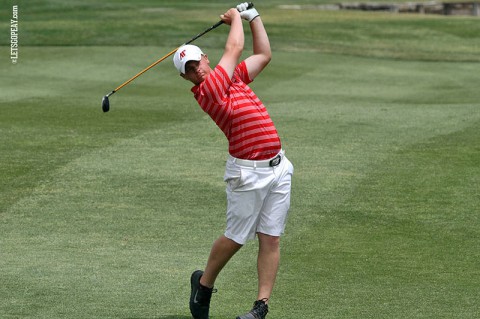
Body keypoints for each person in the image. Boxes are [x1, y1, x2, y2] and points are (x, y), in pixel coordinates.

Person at [173, 3, 293, 319]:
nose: (196, 69)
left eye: (197, 62)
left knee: (270, 237)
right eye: (188, 70)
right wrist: (235, 18)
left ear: (205, 59)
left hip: (278, 167)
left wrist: (253, 18)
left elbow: (263, 55)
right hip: (247, 174)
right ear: (186, 78)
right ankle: (204, 284)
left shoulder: (235, 77)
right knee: (237, 237)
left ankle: (260, 308)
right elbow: (235, 46)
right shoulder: (209, 90)